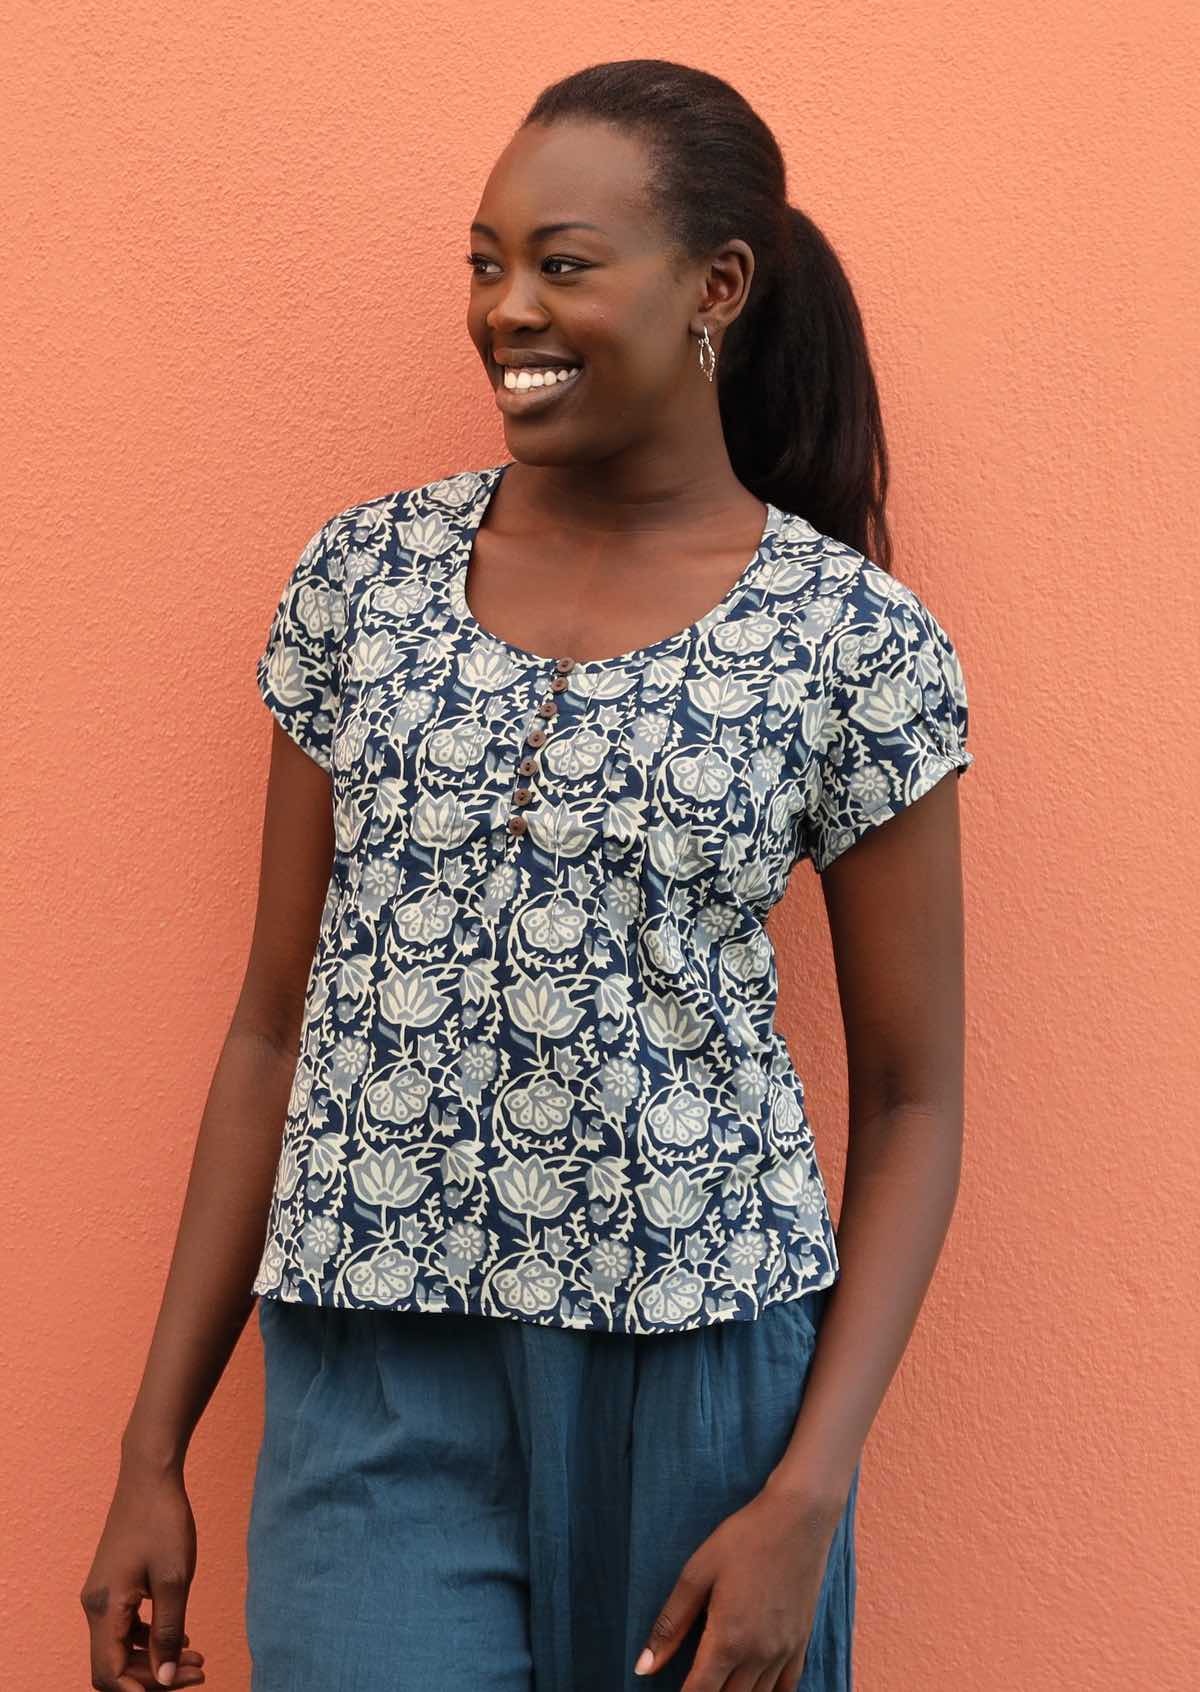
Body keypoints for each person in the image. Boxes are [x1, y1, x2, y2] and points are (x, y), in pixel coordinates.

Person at [80, 57, 975, 1692]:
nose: (507, 308)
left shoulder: (850, 640)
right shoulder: (363, 579)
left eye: (563, 263)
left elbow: (915, 1099)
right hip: (376, 1376)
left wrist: (810, 1495)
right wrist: (155, 1446)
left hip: (705, 1382)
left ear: (717, 288)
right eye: (485, 262)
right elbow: (275, 1027)